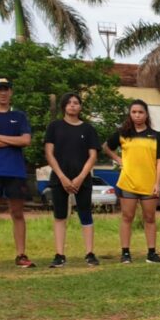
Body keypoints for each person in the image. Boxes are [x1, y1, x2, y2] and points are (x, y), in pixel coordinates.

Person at [103, 100, 160, 264]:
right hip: (128, 183)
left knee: (150, 218)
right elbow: (106, 147)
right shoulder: (122, 133)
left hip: (149, 184)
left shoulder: (155, 135)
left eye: (141, 112)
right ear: (130, 114)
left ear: (146, 114)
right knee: (127, 217)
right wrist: (118, 159)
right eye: (134, 112)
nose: (137, 115)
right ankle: (125, 253)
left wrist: (157, 183)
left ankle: (152, 253)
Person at [43, 92, 100, 268]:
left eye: (76, 103)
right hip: (60, 178)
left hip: (82, 179)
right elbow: (49, 154)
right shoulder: (55, 127)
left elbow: (93, 155)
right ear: (64, 107)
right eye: (69, 103)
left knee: (85, 214)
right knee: (60, 216)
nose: (73, 105)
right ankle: (60, 254)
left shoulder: (88, 129)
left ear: (80, 106)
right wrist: (62, 177)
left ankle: (90, 253)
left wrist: (81, 177)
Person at [0, 77, 35, 270]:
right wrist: (12, 140)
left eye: (6, 88)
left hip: (15, 170)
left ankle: (21, 255)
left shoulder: (19, 116)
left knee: (18, 212)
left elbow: (25, 141)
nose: (3, 92)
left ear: (11, 92)